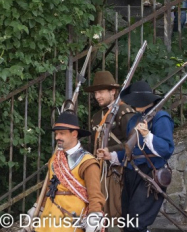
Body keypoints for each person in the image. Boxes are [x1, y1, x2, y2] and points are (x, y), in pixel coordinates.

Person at [96, 81, 174, 232]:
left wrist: (147, 135)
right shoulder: (134, 120)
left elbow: (166, 150)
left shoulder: (161, 117)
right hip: (132, 172)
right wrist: (110, 155)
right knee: (128, 223)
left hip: (150, 174)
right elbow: (132, 151)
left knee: (136, 224)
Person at [28, 111, 104, 232]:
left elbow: (95, 194)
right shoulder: (55, 158)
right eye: (56, 133)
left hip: (70, 217)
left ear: (74, 134)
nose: (57, 137)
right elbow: (48, 188)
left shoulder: (87, 162)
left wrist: (94, 216)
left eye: (62, 133)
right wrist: (37, 207)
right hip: (48, 215)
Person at [85, 71, 136, 220]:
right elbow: (93, 146)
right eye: (95, 92)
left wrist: (110, 151)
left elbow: (134, 142)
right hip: (99, 172)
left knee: (118, 213)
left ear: (112, 91)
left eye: (100, 92)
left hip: (118, 173)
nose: (97, 96)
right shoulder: (96, 117)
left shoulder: (124, 112)